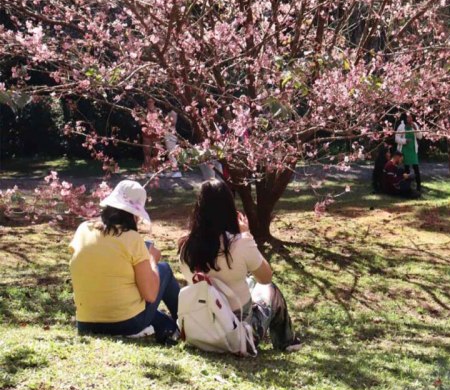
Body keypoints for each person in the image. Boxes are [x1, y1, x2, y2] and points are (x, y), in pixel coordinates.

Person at [178, 179, 301, 352]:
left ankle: (287, 341)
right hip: (236, 334)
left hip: (201, 330)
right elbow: (265, 278)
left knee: (250, 282)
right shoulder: (240, 243)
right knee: (271, 290)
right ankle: (287, 342)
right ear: (229, 208)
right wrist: (247, 235)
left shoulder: (185, 246)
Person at [69, 180, 180, 343]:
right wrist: (151, 260)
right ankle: (188, 324)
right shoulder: (131, 238)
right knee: (164, 269)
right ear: (134, 215)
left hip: (85, 323)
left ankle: (171, 328)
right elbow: (150, 294)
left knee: (166, 324)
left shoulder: (83, 229)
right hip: (126, 324)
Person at [395, 113, 423, 193]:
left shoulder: (415, 125)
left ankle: (418, 187)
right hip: (405, 150)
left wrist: (416, 128)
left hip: (413, 150)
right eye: (408, 117)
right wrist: (404, 141)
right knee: (406, 169)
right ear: (405, 118)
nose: (409, 119)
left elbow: (420, 137)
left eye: (411, 117)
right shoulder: (401, 126)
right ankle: (406, 187)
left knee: (416, 168)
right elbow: (396, 139)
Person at [142, 98, 159, 174]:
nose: (149, 103)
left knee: (157, 153)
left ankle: (156, 170)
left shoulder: (158, 111)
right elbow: (141, 122)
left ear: (154, 102)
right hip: (146, 134)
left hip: (156, 134)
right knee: (147, 153)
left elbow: (162, 121)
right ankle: (147, 170)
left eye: (151, 101)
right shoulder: (144, 111)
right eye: (148, 101)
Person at [164, 110, 182, 178]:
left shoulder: (173, 112)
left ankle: (176, 171)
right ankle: (173, 170)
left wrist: (165, 122)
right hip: (168, 134)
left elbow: (173, 122)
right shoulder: (169, 112)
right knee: (170, 153)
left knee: (172, 153)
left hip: (171, 134)